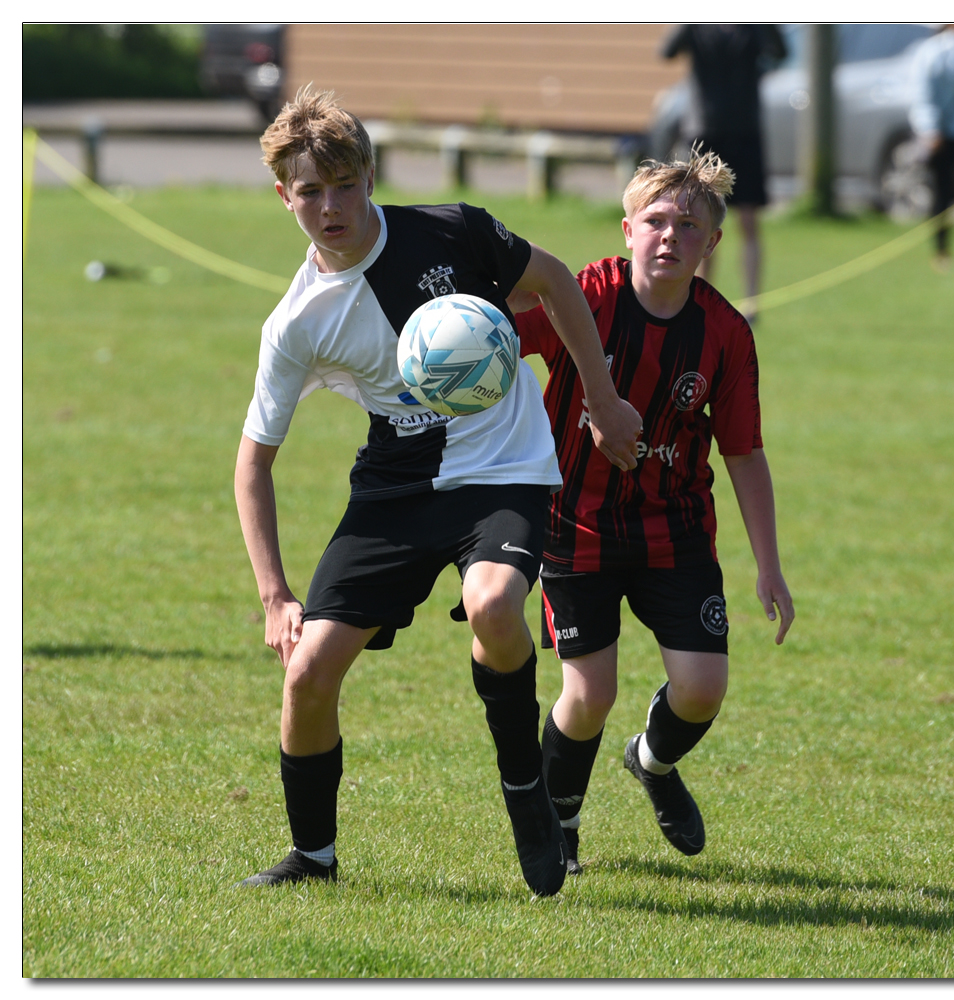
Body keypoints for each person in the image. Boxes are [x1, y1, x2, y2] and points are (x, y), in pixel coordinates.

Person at [233, 86, 642, 894]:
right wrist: (275, 593)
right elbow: (253, 464)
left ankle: (524, 781)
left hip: (503, 468)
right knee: (307, 672)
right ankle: (313, 858)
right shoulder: (297, 322)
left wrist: (601, 401)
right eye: (309, 191)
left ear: (371, 177)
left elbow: (558, 284)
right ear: (284, 198)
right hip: (395, 487)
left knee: (494, 606)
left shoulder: (452, 229)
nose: (330, 205)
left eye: (344, 184)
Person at [508, 149, 794, 874]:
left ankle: (652, 762)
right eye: (658, 221)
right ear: (628, 227)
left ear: (713, 244)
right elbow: (496, 343)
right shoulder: (585, 298)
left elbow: (744, 453)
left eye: (689, 225)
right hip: (576, 522)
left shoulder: (725, 334)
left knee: (703, 689)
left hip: (676, 527)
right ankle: (561, 822)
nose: (671, 236)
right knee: (589, 691)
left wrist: (770, 566)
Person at [661, 24, 787, 322]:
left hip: (745, 131)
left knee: (748, 220)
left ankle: (752, 303)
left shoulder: (754, 26)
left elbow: (781, 52)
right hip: (704, 130)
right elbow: (666, 52)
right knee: (696, 219)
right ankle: (698, 296)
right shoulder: (697, 25)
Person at [909, 24, 954, 270]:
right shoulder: (933, 52)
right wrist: (930, 131)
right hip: (943, 136)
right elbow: (923, 97)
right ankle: (941, 251)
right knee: (943, 194)